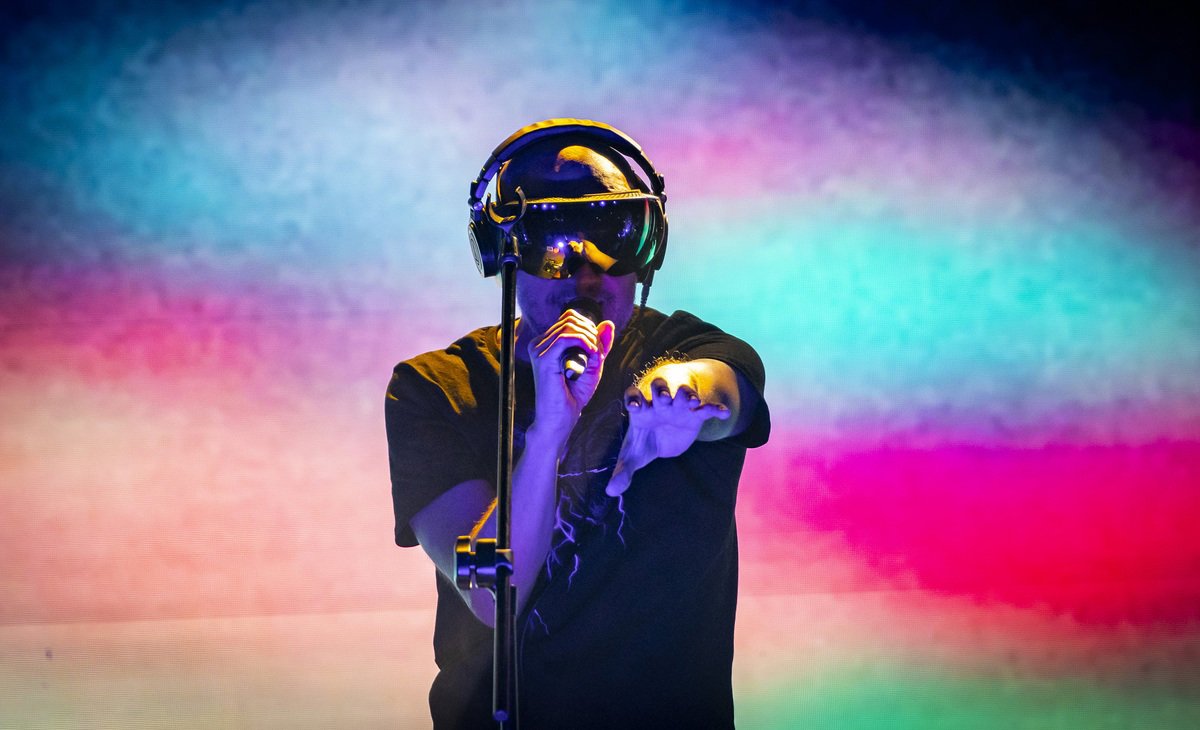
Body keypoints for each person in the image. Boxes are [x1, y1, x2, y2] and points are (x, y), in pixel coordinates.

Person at [386, 120, 770, 729]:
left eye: (617, 237)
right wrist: (547, 436)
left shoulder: (688, 346)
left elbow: (722, 389)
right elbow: (491, 594)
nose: (588, 276)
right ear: (501, 255)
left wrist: (682, 397)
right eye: (552, 243)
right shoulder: (436, 389)